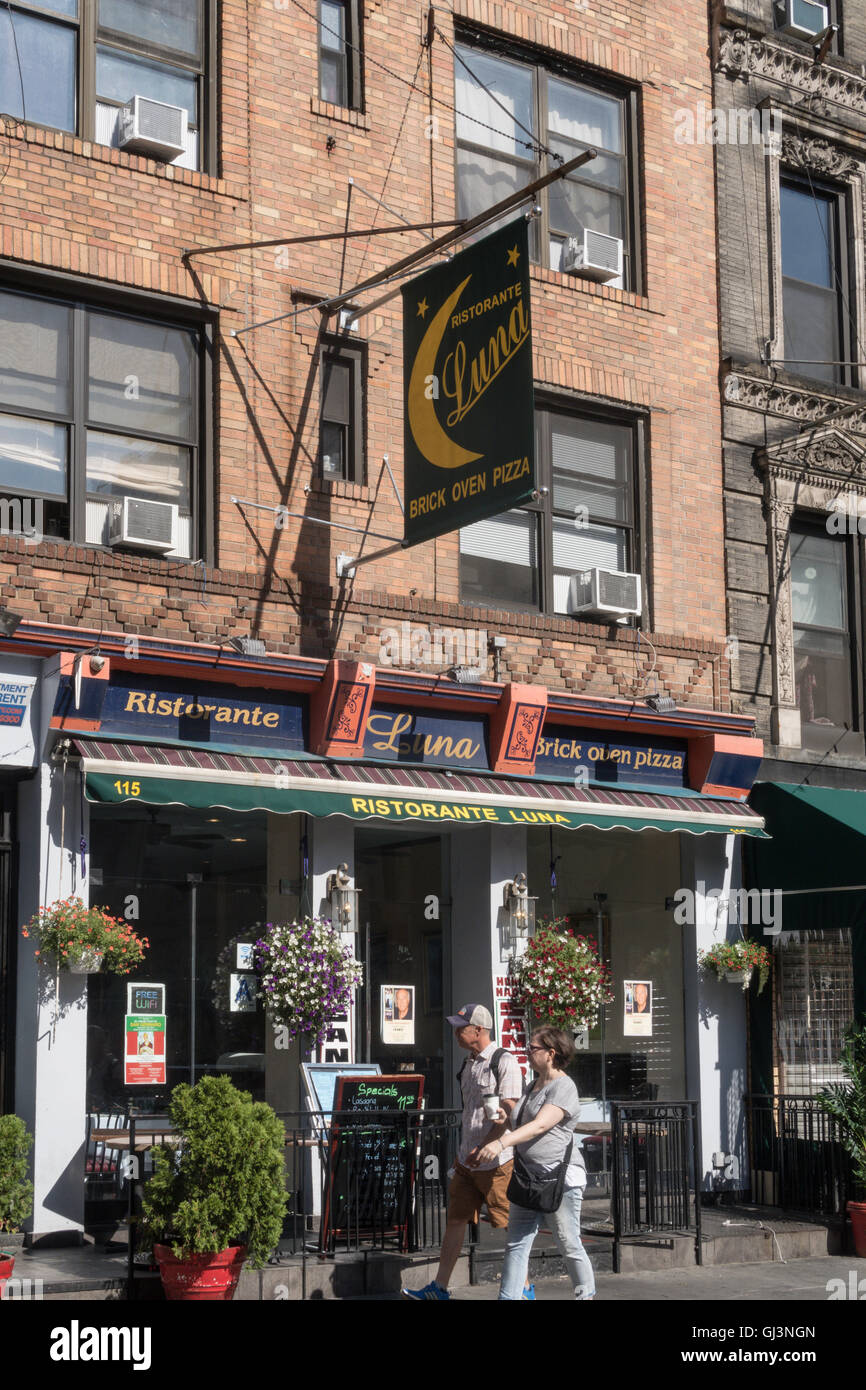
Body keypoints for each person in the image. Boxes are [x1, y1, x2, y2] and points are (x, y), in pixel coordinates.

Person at [402, 1003, 523, 1301]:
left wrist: (486, 1143)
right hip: (467, 1160)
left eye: (461, 1027)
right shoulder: (469, 1063)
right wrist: (465, 1152)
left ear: (478, 1030)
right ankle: (439, 1288)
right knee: (455, 1220)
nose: (456, 1033)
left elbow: (509, 1108)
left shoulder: (504, 1061)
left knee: (510, 1228)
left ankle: (523, 1290)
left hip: (496, 1162)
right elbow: (471, 1113)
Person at [473, 1025, 596, 1301]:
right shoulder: (532, 1085)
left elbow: (541, 1125)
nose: (528, 1052)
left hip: (559, 1180)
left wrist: (501, 1143)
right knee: (516, 1244)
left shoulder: (564, 1087)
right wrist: (502, 1118)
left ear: (551, 1053)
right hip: (528, 1178)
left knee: (568, 1242)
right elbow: (520, 1123)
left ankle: (585, 1295)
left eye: (533, 1048)